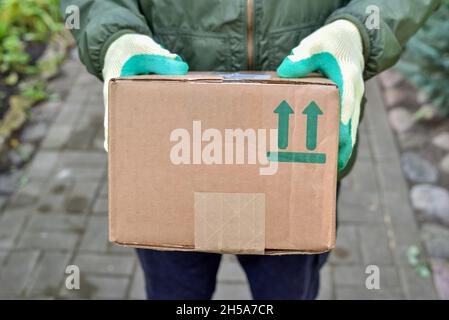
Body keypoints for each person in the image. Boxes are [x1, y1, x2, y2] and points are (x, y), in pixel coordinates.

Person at [62, 0, 440, 299]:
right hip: (173, 153)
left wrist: (358, 30)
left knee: (288, 292)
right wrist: (113, 34)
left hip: (292, 160)